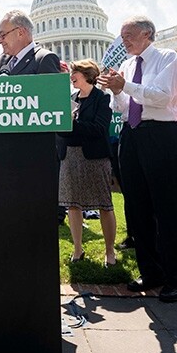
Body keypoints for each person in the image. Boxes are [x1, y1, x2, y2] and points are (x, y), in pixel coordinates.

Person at [97, 16, 177, 303]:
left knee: (166, 210)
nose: (124, 40)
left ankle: (176, 278)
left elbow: (161, 97)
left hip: (161, 135)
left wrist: (125, 86)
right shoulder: (127, 65)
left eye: (129, 35)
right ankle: (150, 272)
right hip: (131, 135)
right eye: (122, 35)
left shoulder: (166, 58)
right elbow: (123, 106)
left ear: (147, 33)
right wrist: (116, 91)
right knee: (137, 208)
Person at [58, 59, 116, 266]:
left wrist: (75, 123)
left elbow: (100, 129)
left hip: (94, 157)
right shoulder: (70, 99)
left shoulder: (102, 98)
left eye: (75, 73)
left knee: (104, 204)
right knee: (73, 204)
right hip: (70, 155)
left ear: (87, 75)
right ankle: (77, 249)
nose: (71, 76)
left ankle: (110, 251)